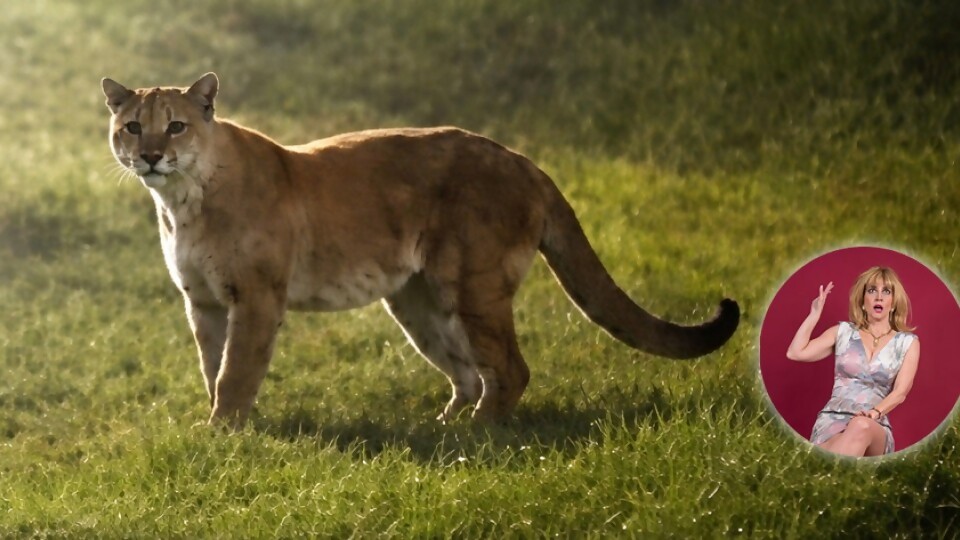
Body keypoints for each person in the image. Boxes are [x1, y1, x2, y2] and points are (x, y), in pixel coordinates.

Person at [786, 266, 920, 457]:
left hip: (875, 423)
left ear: (893, 302)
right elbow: (796, 353)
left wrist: (874, 413)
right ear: (863, 301)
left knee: (860, 426)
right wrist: (814, 314)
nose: (879, 297)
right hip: (831, 421)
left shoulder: (907, 343)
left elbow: (901, 392)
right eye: (872, 290)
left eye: (886, 291)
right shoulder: (843, 332)